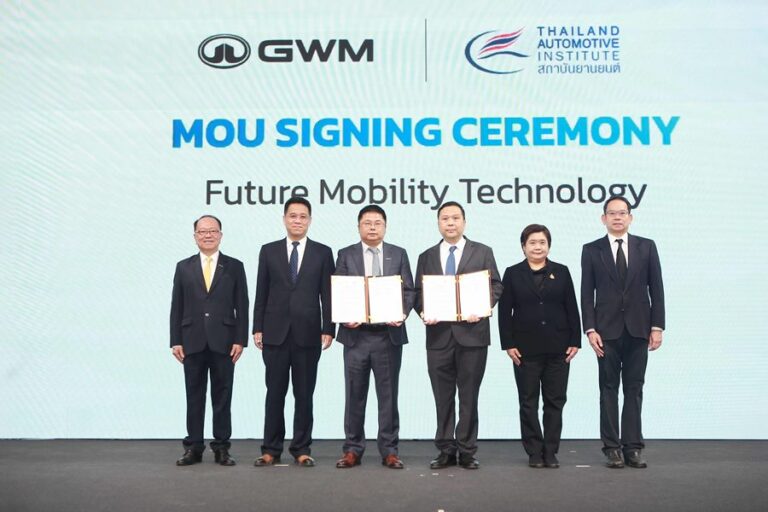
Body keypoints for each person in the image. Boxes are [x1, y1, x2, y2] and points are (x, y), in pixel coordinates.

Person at [415, 201, 503, 470]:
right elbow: (418, 293)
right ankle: (445, 449)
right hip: (438, 336)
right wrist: (424, 311)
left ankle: (466, 450)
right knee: (442, 397)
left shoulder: (483, 252)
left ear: (464, 222)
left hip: (473, 335)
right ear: (438, 223)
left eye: (455, 218)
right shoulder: (427, 256)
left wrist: (483, 307)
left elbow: (496, 285)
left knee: (469, 396)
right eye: (445, 218)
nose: (450, 223)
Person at [581, 196, 665, 469]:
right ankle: (612, 448)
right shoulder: (591, 250)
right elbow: (586, 293)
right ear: (603, 218)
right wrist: (590, 329)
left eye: (622, 213)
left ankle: (633, 447)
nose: (617, 217)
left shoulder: (647, 247)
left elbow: (657, 289)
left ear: (630, 217)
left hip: (639, 329)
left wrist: (657, 326)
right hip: (605, 331)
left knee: (634, 388)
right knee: (608, 389)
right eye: (612, 213)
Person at [252, 197, 335, 467]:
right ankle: (270, 449)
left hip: (308, 334)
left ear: (310, 220)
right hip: (274, 334)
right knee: (274, 394)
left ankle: (301, 448)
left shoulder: (323, 252)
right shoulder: (268, 251)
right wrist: (257, 327)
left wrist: (328, 328)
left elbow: (328, 295)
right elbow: (261, 292)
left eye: (302, 216)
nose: (297, 220)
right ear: (284, 218)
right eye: (293, 216)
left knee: (304, 395)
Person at [334, 205, 415, 470]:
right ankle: (352, 449)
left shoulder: (398, 254)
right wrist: (345, 316)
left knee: (388, 397)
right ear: (359, 227)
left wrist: (401, 313)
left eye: (377, 222)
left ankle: (390, 450)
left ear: (385, 226)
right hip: (356, 337)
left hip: (387, 336)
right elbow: (338, 290)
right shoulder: (345, 254)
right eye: (367, 223)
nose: (372, 227)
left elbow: (409, 290)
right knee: (353, 395)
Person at [497, 224, 581, 469]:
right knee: (528, 402)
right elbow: (505, 312)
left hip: (558, 347)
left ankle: (551, 451)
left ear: (549, 246)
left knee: (555, 401)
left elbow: (571, 307)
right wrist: (508, 344)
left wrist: (575, 340)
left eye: (542, 242)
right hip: (525, 349)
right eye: (532, 242)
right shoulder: (512, 273)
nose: (537, 247)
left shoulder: (562, 271)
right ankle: (534, 451)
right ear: (523, 246)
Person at [169, 215, 249, 466]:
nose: (207, 235)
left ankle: (222, 447)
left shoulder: (234, 266)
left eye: (212, 231)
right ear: (195, 236)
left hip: (224, 341)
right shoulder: (183, 267)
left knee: (222, 397)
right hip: (191, 340)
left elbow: (242, 305)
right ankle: (193, 447)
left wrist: (240, 339)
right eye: (202, 231)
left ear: (220, 235)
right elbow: (176, 305)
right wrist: (175, 340)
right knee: (194, 396)